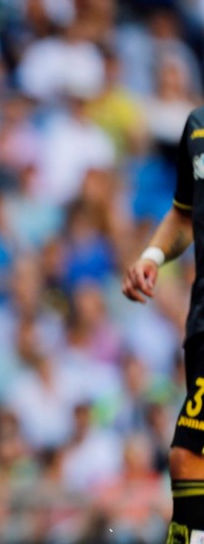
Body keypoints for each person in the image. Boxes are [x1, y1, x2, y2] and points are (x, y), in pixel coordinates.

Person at [123, 108, 204, 544]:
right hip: (201, 324)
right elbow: (185, 213)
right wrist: (152, 256)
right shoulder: (197, 127)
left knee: (188, 455)